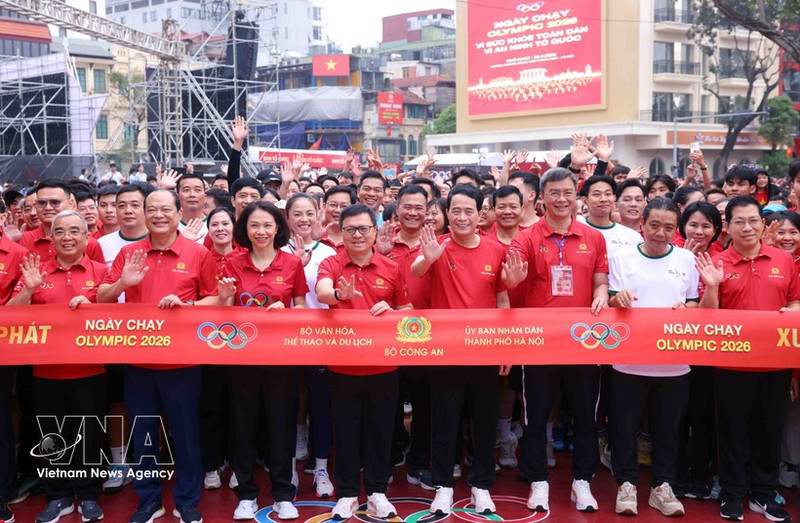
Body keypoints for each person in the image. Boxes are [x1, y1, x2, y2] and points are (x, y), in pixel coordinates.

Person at [98, 189, 224, 523]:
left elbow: (215, 299)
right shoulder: (129, 253)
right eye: (150, 208)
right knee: (143, 435)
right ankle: (149, 499)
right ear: (142, 212)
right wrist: (122, 284)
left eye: (165, 209)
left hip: (183, 362)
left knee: (185, 435)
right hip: (138, 360)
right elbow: (101, 298)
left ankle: (186, 500)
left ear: (177, 211)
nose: (157, 215)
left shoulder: (197, 252)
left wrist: (190, 306)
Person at [503, 167, 609, 514]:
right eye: (554, 193)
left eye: (567, 193)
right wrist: (513, 279)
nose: (561, 200)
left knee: (586, 416)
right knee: (535, 414)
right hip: (539, 341)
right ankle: (537, 481)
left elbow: (600, 281)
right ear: (541, 197)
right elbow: (512, 287)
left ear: (576, 196)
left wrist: (602, 294)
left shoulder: (593, 238)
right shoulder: (527, 237)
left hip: (584, 340)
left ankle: (582, 481)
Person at [697, 195, 799, 522]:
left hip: (775, 363)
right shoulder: (717, 263)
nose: (747, 227)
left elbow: (796, 302)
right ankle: (731, 494)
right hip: (730, 364)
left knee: (769, 431)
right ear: (728, 225)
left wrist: (791, 313)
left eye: (753, 220)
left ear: (763, 224)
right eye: (739, 221)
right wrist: (712, 287)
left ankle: (764, 495)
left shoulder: (784, 261)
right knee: (731, 432)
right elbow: (706, 318)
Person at [411, 184, 510, 516]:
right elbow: (415, 272)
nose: (462, 217)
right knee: (444, 420)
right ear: (447, 214)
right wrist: (429, 258)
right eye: (456, 210)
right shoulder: (436, 245)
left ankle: (481, 485)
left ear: (480, 214)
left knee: (484, 422)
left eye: (469, 210)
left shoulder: (496, 250)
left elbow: (502, 299)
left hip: (485, 351)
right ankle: (443, 486)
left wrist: (506, 348)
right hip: (445, 352)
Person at [9, 210, 108, 523]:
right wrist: (27, 289)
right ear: (50, 238)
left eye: (75, 231)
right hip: (45, 372)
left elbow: (119, 320)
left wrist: (94, 308)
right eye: (61, 231)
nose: (68, 237)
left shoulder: (102, 272)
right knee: (51, 436)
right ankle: (58, 496)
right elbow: (10, 316)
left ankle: (89, 495)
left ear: (86, 236)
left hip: (91, 371)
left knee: (90, 436)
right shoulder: (35, 272)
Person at [316, 203, 413, 521]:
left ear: (375, 231)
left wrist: (392, 312)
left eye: (363, 229)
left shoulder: (391, 267)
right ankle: (345, 493)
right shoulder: (331, 262)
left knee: (380, 431)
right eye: (350, 230)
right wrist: (340, 296)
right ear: (340, 234)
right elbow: (323, 292)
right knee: (345, 432)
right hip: (342, 365)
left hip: (384, 365)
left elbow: (408, 310)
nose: (357, 235)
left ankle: (376, 492)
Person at [608, 197, 699, 517]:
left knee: (667, 429)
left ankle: (662, 486)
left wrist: (689, 310)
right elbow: (610, 299)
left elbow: (695, 305)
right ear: (642, 225)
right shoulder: (622, 257)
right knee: (624, 427)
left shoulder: (687, 259)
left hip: (674, 364)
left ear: (677, 230)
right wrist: (616, 299)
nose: (660, 233)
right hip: (628, 361)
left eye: (668, 227)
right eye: (654, 225)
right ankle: (626, 484)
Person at [221, 201, 307, 521]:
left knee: (281, 425)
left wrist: (287, 313)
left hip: (281, 358)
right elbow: (223, 311)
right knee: (242, 426)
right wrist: (223, 296)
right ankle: (246, 493)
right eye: (254, 225)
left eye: (267, 225)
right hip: (241, 357)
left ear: (277, 228)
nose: (261, 231)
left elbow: (301, 307)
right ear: (245, 230)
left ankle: (284, 493)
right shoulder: (231, 262)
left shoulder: (292, 263)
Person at [376, 185, 434, 490]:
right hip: (387, 339)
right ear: (396, 208)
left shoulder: (437, 243)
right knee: (388, 404)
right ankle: (386, 459)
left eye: (419, 208)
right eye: (407, 207)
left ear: (428, 211)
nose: (413, 213)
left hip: (428, 338)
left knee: (424, 406)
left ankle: (420, 464)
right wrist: (379, 253)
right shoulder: (382, 242)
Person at [282, 194, 337, 499]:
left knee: (319, 406)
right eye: (297, 214)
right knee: (287, 408)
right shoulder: (275, 251)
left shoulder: (329, 253)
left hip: (321, 340)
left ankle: (320, 468)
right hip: (284, 342)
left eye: (309, 213)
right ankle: (288, 468)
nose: (303, 219)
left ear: (319, 215)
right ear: (287, 218)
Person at [0, 211, 28, 523]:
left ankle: (2, 493)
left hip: (2, 352)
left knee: (1, 424)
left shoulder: (19, 254)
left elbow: (20, 305)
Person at [19, 180, 105, 264]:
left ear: (71, 204)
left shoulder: (89, 244)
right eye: (42, 203)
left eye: (55, 202)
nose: (48, 208)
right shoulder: (23, 240)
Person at [579, 176, 642, 257]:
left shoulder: (633, 237)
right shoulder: (577, 229)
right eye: (596, 194)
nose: (603, 199)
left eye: (608, 194)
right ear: (584, 200)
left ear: (614, 198)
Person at [319, 187, 356, 253]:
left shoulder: (358, 238)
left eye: (344, 206)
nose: (338, 210)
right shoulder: (314, 235)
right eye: (333, 205)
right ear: (324, 207)